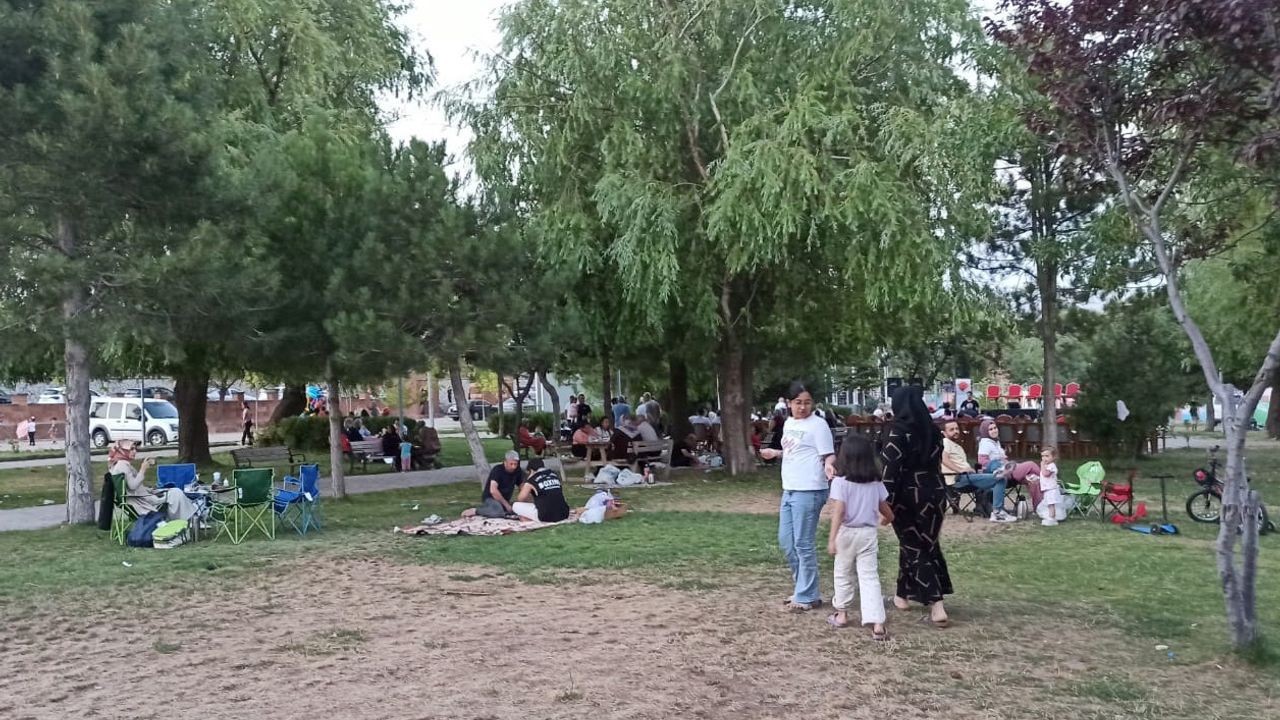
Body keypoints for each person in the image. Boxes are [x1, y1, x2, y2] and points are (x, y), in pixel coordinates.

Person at [759, 382, 835, 612]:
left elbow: (828, 455)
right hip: (790, 488)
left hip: (810, 489)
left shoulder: (819, 425)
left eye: (807, 402)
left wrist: (829, 466)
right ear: (789, 403)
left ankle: (807, 595)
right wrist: (776, 453)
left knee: (803, 543)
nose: (802, 407)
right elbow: (795, 451)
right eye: (798, 402)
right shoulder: (789, 423)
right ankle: (804, 588)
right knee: (787, 541)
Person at [882, 385, 952, 627]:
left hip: (908, 496)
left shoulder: (897, 432)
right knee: (923, 544)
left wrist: (885, 504)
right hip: (936, 492)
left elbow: (890, 472)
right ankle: (902, 595)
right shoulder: (933, 431)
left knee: (913, 545)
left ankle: (936, 604)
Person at [826, 436, 893, 639]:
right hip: (867, 534)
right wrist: (886, 520)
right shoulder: (875, 483)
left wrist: (832, 539)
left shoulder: (840, 483)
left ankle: (842, 614)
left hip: (846, 532)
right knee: (869, 577)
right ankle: (877, 622)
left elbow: (839, 512)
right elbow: (887, 512)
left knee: (843, 573)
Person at [940, 420, 1017, 523]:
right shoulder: (945, 442)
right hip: (958, 478)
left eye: (957, 429)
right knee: (1000, 477)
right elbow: (943, 459)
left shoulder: (957, 446)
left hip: (968, 476)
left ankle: (996, 510)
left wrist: (971, 470)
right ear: (944, 433)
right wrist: (960, 470)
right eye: (951, 430)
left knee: (1000, 478)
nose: (956, 431)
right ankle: (998, 512)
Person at [109, 440, 197, 521]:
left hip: (141, 496)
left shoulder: (119, 465)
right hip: (141, 501)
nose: (135, 451)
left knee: (174, 491)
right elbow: (132, 486)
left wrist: (150, 490)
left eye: (135, 449)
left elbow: (131, 487)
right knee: (176, 493)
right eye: (131, 449)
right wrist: (143, 469)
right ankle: (190, 520)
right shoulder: (122, 465)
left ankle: (186, 520)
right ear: (122, 451)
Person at [512, 459, 571, 523]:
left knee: (515, 505)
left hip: (545, 516)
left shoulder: (532, 480)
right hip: (564, 514)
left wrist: (528, 481)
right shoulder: (554, 475)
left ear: (531, 470)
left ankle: (528, 520)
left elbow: (520, 499)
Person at [471, 451, 524, 518]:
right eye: (511, 464)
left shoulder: (518, 470)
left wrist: (522, 500)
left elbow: (521, 486)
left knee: (516, 509)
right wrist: (506, 505)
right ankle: (475, 511)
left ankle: (504, 511)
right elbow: (493, 490)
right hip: (491, 498)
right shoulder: (497, 470)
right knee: (497, 512)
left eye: (515, 464)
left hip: (505, 499)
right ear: (505, 462)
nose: (513, 467)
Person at [1037, 446, 1062, 526]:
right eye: (1042, 456)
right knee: (1049, 504)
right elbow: (1044, 477)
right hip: (1047, 489)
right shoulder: (1047, 466)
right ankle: (1051, 517)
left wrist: (1042, 465)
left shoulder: (1052, 466)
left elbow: (1046, 474)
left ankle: (1052, 518)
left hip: (1051, 489)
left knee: (1051, 504)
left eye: (1047, 456)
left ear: (1053, 457)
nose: (1044, 458)